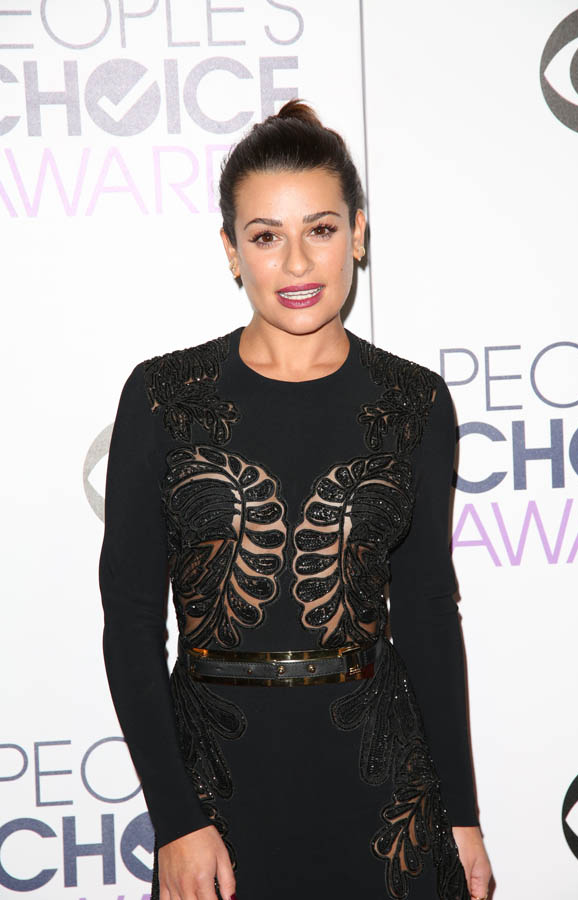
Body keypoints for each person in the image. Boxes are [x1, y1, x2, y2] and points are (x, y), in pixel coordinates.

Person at [99, 99, 492, 900]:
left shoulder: (414, 402)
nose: (299, 264)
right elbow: (131, 623)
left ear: (358, 233)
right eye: (266, 236)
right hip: (216, 790)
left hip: (386, 789)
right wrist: (174, 819)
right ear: (231, 251)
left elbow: (426, 615)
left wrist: (460, 813)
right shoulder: (164, 397)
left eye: (321, 229)